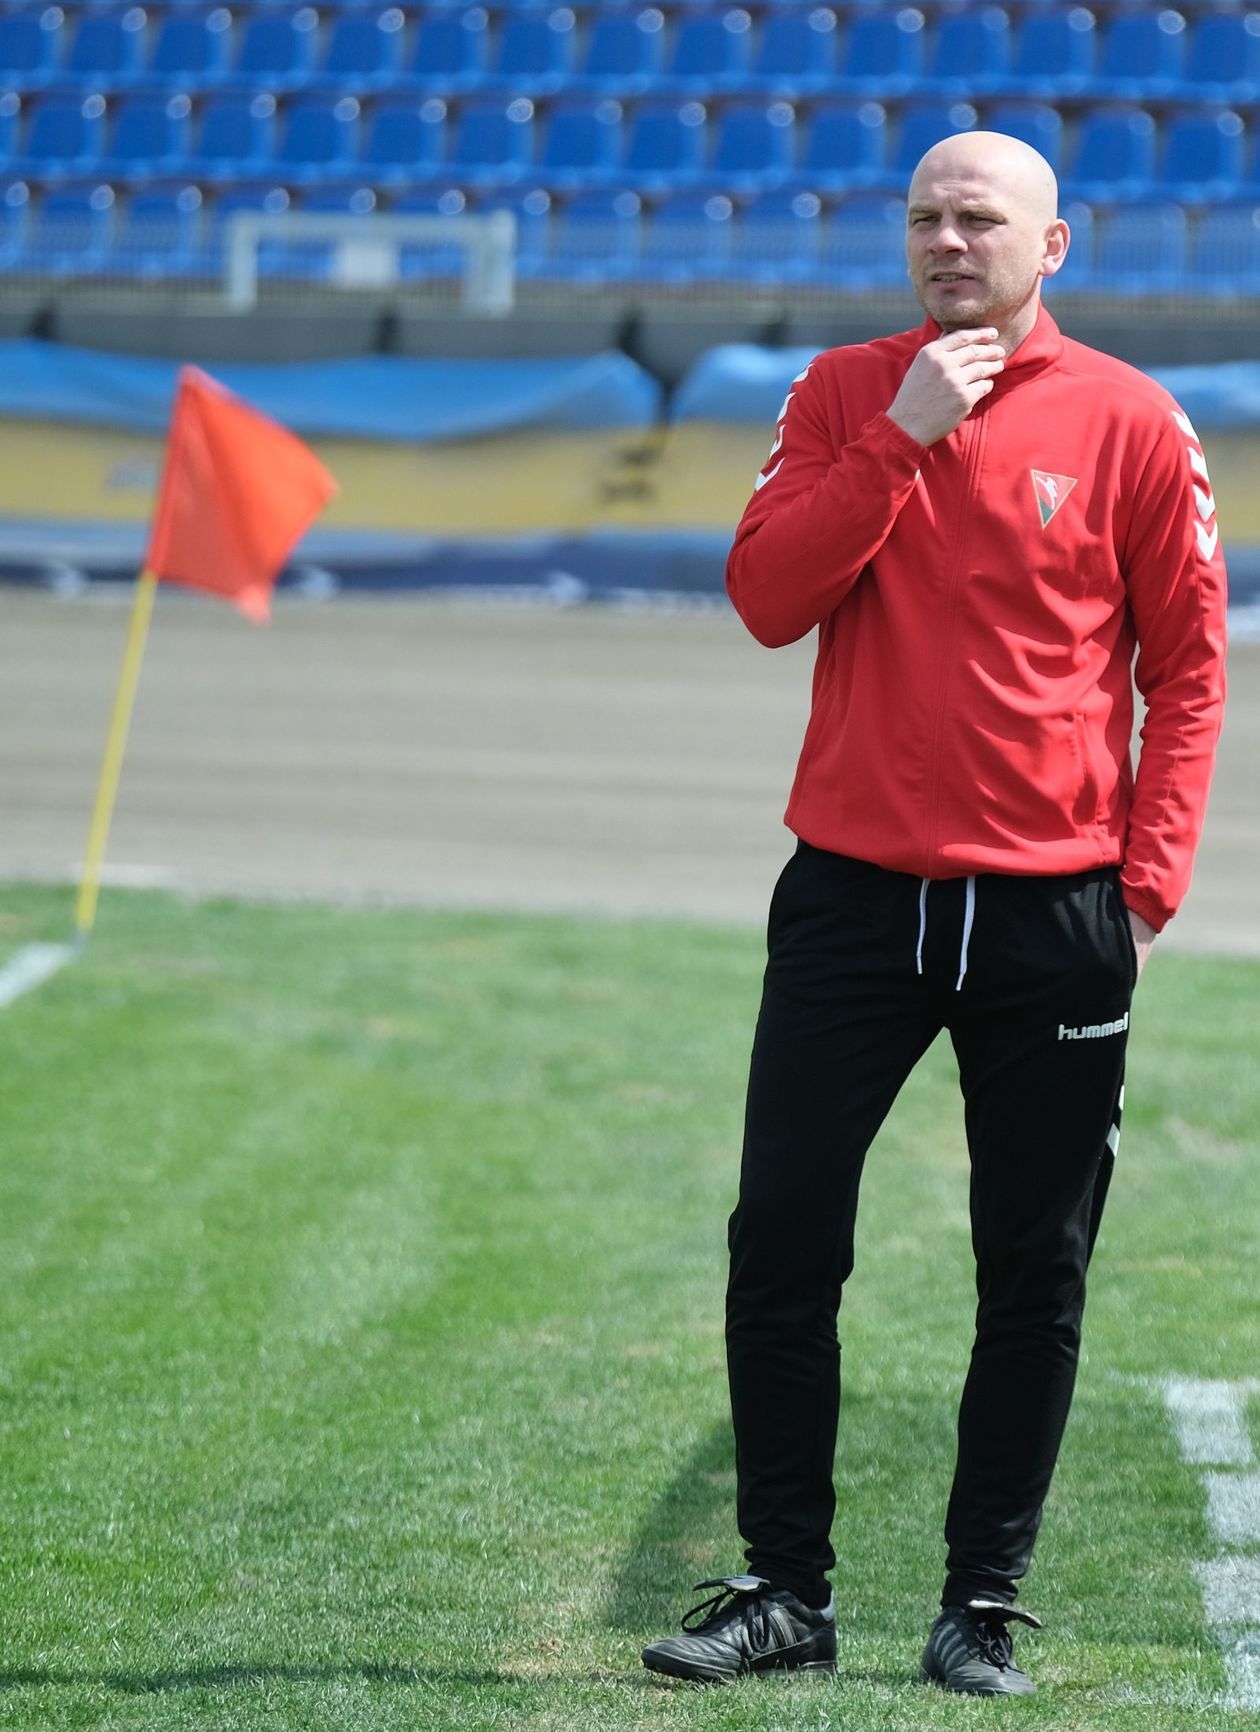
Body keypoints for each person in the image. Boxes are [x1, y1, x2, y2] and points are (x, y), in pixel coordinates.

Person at [641, 131, 1228, 1696]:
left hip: (1054, 913)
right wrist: (901, 436)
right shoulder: (845, 392)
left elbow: (1188, 673)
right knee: (782, 1239)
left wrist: (1146, 889)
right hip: (852, 899)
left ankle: (981, 1602)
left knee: (1033, 1265)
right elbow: (769, 598)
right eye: (924, 218)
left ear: (1055, 245)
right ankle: (785, 1593)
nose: (948, 241)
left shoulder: (1133, 419)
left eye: (979, 218)